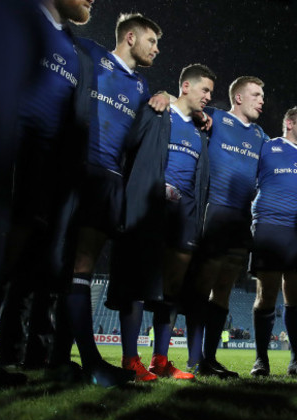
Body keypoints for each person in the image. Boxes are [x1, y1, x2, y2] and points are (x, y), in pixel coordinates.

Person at [0, 0, 95, 386]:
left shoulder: (71, 44)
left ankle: (10, 355)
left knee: (23, 264)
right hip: (7, 154)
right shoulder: (18, 18)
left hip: (46, 170)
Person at [65, 12, 163, 387]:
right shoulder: (89, 53)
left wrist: (166, 96)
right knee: (52, 257)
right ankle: (76, 359)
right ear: (131, 36)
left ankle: (73, 361)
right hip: (76, 168)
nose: (156, 49)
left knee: (81, 264)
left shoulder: (141, 86)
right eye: (152, 41)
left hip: (111, 180)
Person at [106, 63, 216, 382]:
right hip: (152, 211)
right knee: (140, 285)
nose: (209, 97)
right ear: (185, 86)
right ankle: (130, 360)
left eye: (211, 91)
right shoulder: (158, 112)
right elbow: (129, 146)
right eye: (204, 89)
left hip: (185, 216)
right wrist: (160, 95)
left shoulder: (201, 130)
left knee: (172, 290)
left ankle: (160, 361)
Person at [183, 76, 269, 379]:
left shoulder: (261, 135)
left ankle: (209, 357)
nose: (262, 100)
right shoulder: (216, 119)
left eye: (263, 95)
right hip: (215, 212)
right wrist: (168, 98)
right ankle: (194, 359)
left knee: (223, 292)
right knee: (202, 286)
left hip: (241, 219)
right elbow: (186, 108)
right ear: (239, 98)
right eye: (256, 95)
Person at [248, 107, 297, 377]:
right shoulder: (267, 147)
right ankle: (261, 360)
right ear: (289, 123)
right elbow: (247, 176)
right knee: (266, 294)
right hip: (269, 227)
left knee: (295, 297)